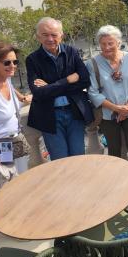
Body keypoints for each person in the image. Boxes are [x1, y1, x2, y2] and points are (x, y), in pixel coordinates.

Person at [26, 17, 92, 159]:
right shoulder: (32, 59)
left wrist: (50, 87)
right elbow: (38, 92)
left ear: (61, 35)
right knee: (60, 160)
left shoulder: (72, 52)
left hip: (74, 112)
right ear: (38, 36)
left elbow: (85, 80)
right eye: (45, 35)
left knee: (78, 157)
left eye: (54, 35)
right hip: (50, 116)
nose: (50, 39)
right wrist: (68, 80)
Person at [86, 25, 128, 169]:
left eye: (110, 43)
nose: (107, 47)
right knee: (114, 149)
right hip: (108, 115)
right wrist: (117, 109)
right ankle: (117, 184)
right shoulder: (92, 64)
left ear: (118, 42)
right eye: (103, 44)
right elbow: (92, 92)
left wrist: (127, 107)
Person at [0, 43, 31, 205]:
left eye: (15, 62)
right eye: (7, 62)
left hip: (15, 142)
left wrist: (26, 98)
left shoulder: (8, 83)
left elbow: (17, 99)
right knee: (5, 195)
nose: (12, 66)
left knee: (22, 187)